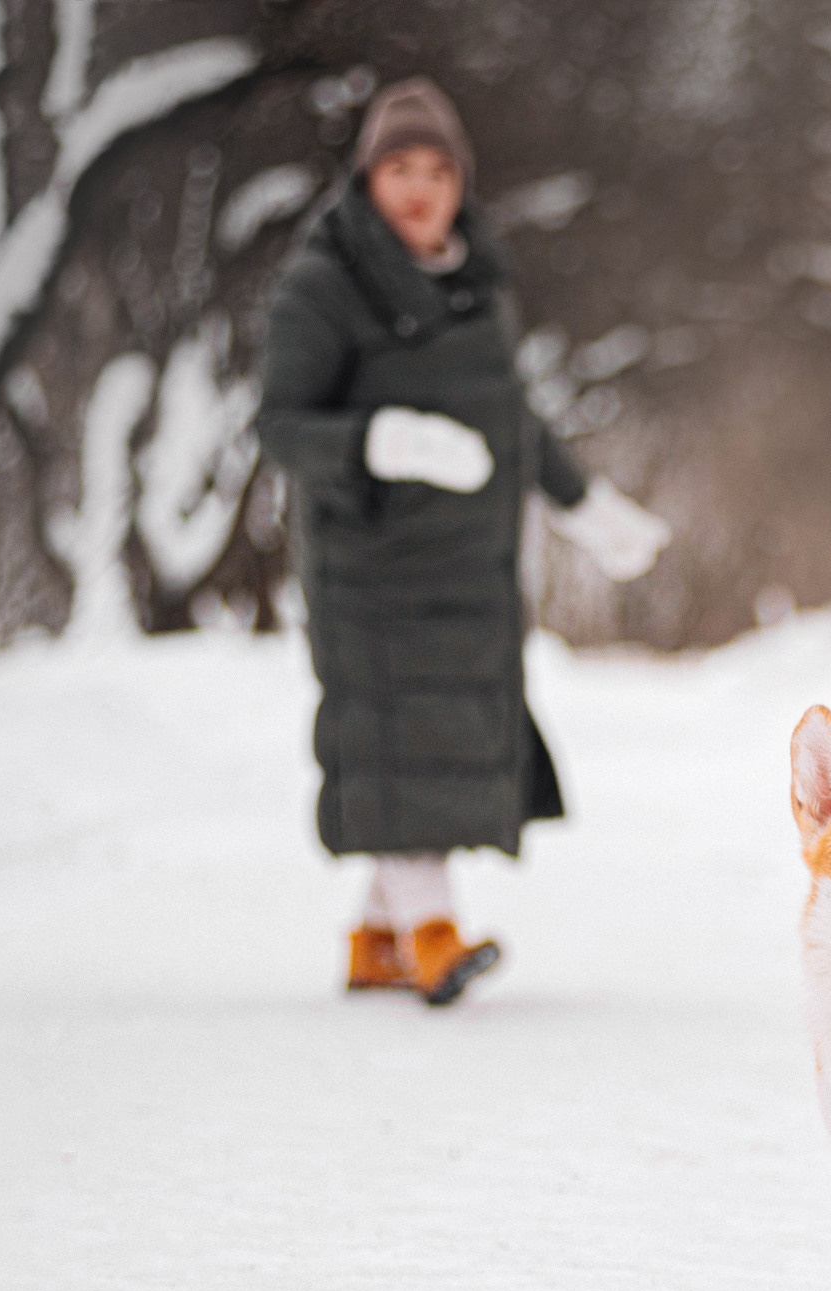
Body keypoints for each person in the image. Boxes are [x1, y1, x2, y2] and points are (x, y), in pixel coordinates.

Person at [256, 77, 669, 1005]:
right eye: (398, 167)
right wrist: (380, 440)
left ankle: (374, 941)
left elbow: (510, 420)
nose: (418, 187)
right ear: (367, 178)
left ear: (459, 183)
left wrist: (585, 504)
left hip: (468, 570)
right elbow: (279, 423)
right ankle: (434, 936)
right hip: (371, 569)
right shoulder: (325, 284)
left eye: (436, 169)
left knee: (431, 743)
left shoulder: (478, 285)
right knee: (400, 735)